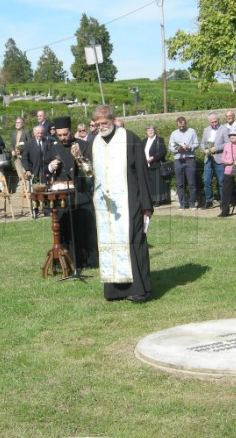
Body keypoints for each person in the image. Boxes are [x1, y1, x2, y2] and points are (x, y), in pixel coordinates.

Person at [90, 105, 153, 303]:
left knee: (133, 242)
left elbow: (142, 173)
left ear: (113, 119)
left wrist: (146, 205)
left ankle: (141, 289)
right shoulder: (96, 142)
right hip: (106, 206)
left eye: (105, 123)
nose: (102, 127)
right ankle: (115, 290)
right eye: (98, 124)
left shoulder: (130, 138)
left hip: (130, 200)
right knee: (111, 244)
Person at [46, 116, 98, 268]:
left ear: (71, 131)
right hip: (61, 195)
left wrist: (79, 157)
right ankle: (65, 260)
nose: (62, 138)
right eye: (59, 135)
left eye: (65, 135)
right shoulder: (52, 146)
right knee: (63, 228)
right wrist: (50, 167)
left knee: (82, 228)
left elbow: (90, 171)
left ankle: (86, 261)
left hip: (81, 194)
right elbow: (45, 171)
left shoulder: (84, 145)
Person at [200, 113, 229, 209]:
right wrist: (205, 149)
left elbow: (227, 143)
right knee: (207, 181)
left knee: (221, 181)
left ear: (218, 120)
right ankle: (209, 200)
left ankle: (222, 202)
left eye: (216, 121)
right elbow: (202, 143)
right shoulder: (206, 130)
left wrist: (217, 148)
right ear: (209, 122)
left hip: (219, 158)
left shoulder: (224, 129)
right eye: (212, 122)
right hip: (208, 158)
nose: (214, 123)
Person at [168, 116, 198, 210]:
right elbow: (170, 147)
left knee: (192, 183)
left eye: (183, 126)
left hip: (189, 159)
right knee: (179, 183)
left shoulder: (192, 131)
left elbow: (197, 144)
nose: (181, 127)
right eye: (179, 126)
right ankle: (182, 203)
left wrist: (189, 147)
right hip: (178, 160)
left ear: (185, 123)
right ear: (177, 125)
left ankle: (192, 203)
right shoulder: (174, 133)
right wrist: (178, 149)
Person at [142, 125, 168, 206]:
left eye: (152, 130)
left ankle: (158, 200)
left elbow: (163, 151)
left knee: (157, 183)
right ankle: (151, 199)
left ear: (155, 131)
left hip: (156, 164)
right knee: (150, 183)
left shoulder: (159, 140)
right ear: (146, 132)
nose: (150, 132)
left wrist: (153, 158)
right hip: (147, 165)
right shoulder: (144, 141)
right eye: (149, 130)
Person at [10, 117, 31, 189]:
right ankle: (24, 190)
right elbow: (11, 145)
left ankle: (29, 190)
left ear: (23, 123)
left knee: (25, 173)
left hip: (24, 156)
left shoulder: (26, 132)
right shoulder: (13, 133)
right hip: (16, 157)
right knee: (20, 174)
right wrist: (12, 150)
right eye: (16, 122)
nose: (17, 124)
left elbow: (30, 143)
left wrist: (22, 149)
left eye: (19, 122)